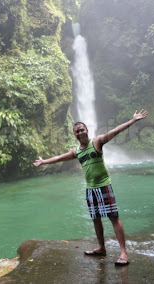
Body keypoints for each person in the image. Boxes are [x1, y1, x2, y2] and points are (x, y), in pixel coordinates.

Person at [33, 109, 148, 266]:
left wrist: (133, 120)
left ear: (87, 131)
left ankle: (123, 253)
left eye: (82, 130)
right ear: (74, 135)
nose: (80, 133)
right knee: (95, 219)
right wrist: (44, 161)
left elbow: (115, 131)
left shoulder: (97, 142)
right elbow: (59, 157)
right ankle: (101, 248)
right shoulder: (77, 152)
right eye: (76, 131)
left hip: (104, 186)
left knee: (114, 218)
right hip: (90, 189)